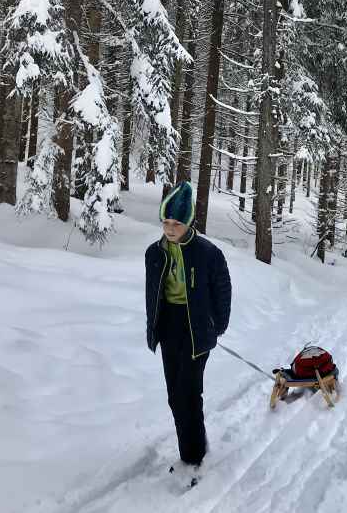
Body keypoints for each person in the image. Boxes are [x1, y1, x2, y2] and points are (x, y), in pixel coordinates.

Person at [145, 181, 232, 476]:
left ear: (188, 222)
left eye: (177, 223)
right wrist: (153, 326)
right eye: (166, 222)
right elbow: (152, 294)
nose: (170, 229)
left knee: (189, 393)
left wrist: (216, 326)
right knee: (174, 395)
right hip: (169, 326)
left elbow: (222, 289)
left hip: (197, 330)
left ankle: (193, 459)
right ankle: (193, 447)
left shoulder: (208, 252)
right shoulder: (154, 253)